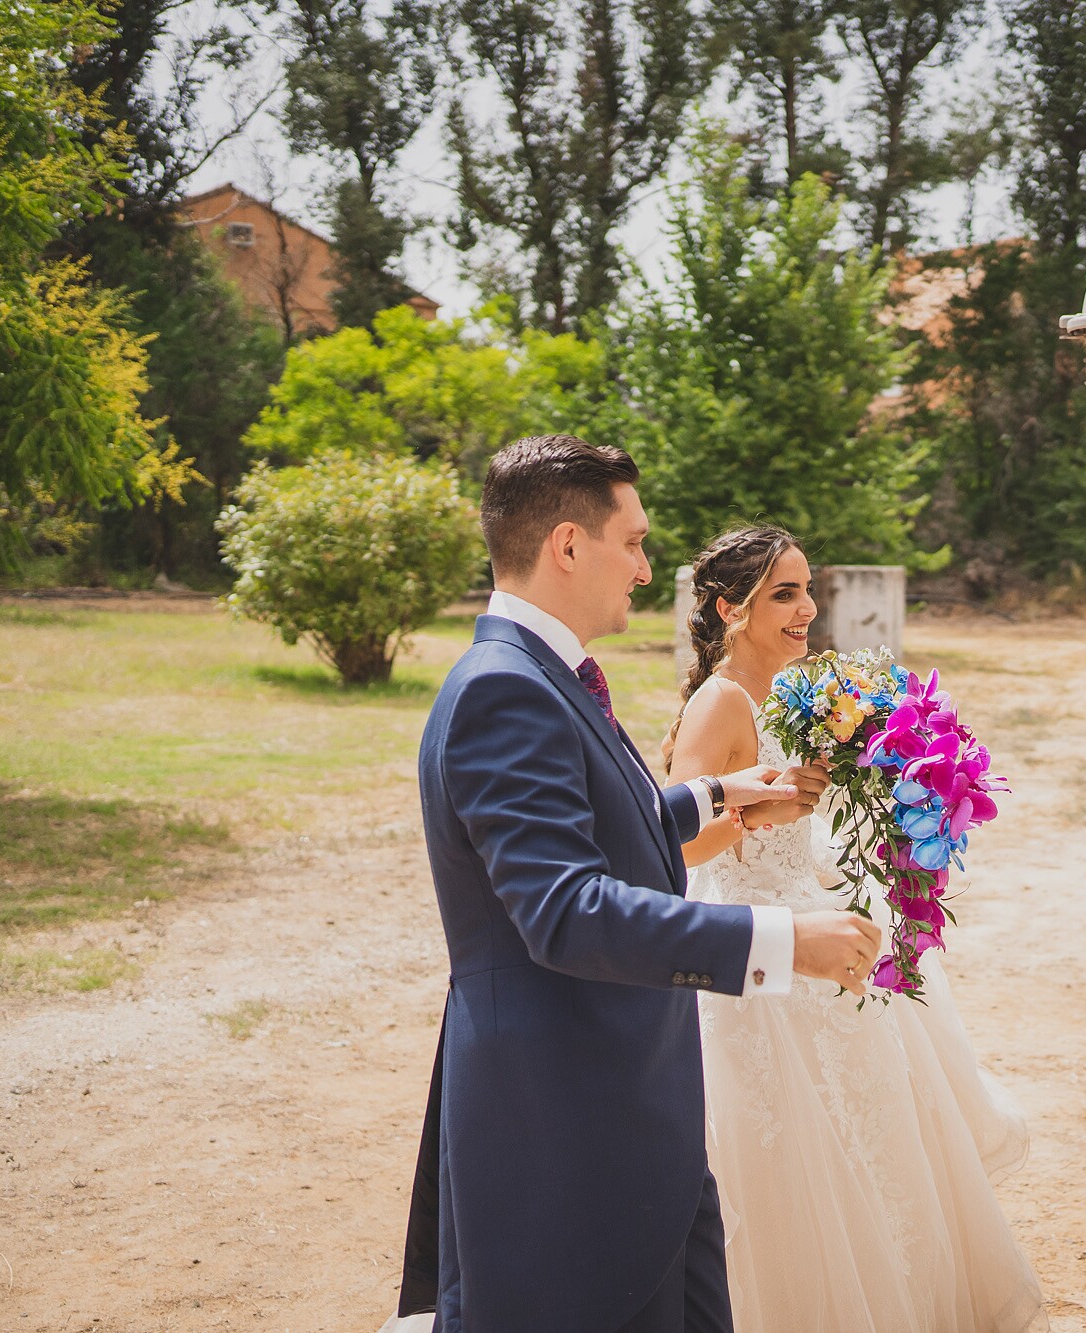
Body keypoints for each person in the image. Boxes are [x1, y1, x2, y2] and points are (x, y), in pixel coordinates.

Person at [400, 436, 883, 1332]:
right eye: (632, 542)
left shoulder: (545, 675)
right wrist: (782, 941)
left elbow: (594, 827)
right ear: (568, 545)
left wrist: (715, 797)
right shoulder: (504, 691)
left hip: (636, 1110)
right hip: (567, 1122)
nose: (646, 567)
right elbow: (565, 909)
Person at [665, 527, 1048, 1333]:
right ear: (731, 609)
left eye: (807, 589)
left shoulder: (796, 690)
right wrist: (758, 814)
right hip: (754, 941)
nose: (807, 607)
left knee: (871, 1142)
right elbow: (676, 843)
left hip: (817, 911)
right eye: (784, 593)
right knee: (788, 1157)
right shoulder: (721, 701)